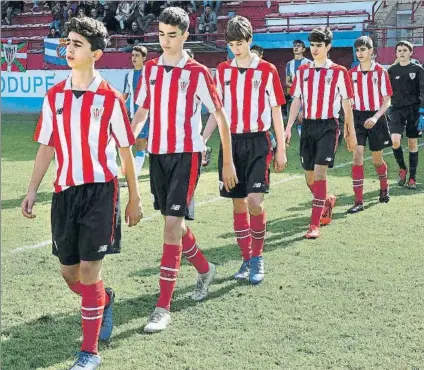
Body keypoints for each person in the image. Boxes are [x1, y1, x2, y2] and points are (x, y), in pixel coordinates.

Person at [21, 17, 143, 369]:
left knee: (89, 270)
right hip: (64, 195)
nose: (69, 49)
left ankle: (89, 353)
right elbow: (46, 147)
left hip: (100, 194)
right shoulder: (54, 96)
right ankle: (104, 299)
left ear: (97, 54)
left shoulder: (110, 99)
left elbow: (125, 152)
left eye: (77, 44)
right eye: (68, 42)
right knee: (70, 274)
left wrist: (134, 198)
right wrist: (31, 190)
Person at [131, 7, 237, 334]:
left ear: (186, 35)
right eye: (161, 34)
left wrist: (228, 160)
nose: (165, 41)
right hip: (158, 156)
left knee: (172, 224)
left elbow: (219, 116)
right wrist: (120, 143)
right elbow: (141, 113)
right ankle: (205, 268)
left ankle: (163, 306)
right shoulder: (149, 70)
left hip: (187, 155)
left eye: (172, 35)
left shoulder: (197, 73)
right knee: (172, 224)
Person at [202, 16, 287, 284]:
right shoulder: (222, 71)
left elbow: (276, 110)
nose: (236, 49)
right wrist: (202, 139)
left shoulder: (267, 70)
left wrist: (281, 148)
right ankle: (246, 258)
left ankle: (258, 257)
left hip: (259, 142)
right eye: (231, 44)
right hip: (232, 143)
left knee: (254, 202)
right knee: (238, 204)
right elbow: (217, 112)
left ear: (250, 40)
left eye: (240, 43)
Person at [285, 27, 356, 239]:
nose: (315, 49)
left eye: (319, 45)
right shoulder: (302, 72)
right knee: (309, 178)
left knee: (319, 173)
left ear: (328, 47)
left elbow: (347, 103)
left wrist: (349, 131)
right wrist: (288, 127)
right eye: (313, 45)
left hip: (328, 126)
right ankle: (326, 200)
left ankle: (314, 225)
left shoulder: (339, 72)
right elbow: (296, 99)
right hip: (307, 127)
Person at [347, 36, 393, 213]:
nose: (360, 53)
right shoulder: (351, 74)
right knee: (357, 155)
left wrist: (375, 117)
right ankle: (358, 201)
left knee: (376, 159)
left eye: (363, 49)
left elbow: (387, 100)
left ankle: (384, 186)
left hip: (376, 117)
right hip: (358, 118)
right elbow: (348, 100)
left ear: (371, 51)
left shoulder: (381, 72)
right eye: (357, 50)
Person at [388, 40, 424, 189]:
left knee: (412, 143)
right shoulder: (391, 70)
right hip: (396, 109)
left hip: (414, 110)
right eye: (399, 50)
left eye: (404, 50)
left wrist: (422, 111)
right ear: (396, 53)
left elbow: (422, 90)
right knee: (395, 141)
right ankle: (403, 168)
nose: (402, 52)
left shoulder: (418, 69)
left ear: (410, 52)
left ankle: (413, 178)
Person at [123, 45, 149, 177]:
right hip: (137, 115)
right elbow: (125, 95)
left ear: (144, 58)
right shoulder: (129, 75)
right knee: (140, 144)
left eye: (137, 55)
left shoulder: (149, 73)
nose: (134, 58)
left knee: (150, 144)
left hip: (152, 114)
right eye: (132, 55)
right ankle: (134, 175)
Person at [285, 40, 311, 136]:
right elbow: (287, 82)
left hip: (307, 96)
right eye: (294, 46)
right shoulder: (289, 64)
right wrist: (298, 86)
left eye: (298, 46)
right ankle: (303, 139)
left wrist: (298, 86)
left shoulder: (309, 63)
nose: (296, 47)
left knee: (305, 118)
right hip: (295, 96)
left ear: (303, 49)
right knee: (299, 121)